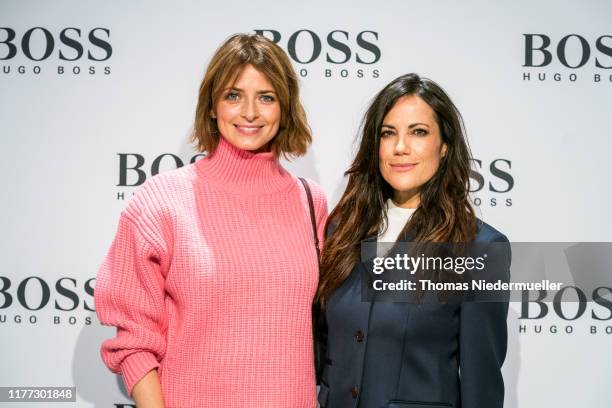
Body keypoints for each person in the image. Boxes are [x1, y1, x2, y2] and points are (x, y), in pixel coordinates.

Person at [95, 33, 328, 408]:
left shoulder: (310, 201)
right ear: (212, 106)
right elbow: (134, 338)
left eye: (266, 97)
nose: (249, 112)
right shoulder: (162, 200)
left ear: (285, 108)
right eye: (233, 96)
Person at [315, 73, 510, 408]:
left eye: (418, 132)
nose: (400, 147)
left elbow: (482, 384)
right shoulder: (340, 231)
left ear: (444, 146)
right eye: (388, 133)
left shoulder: (480, 247)